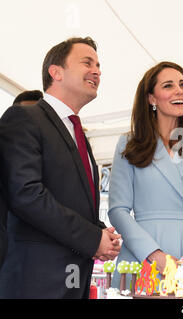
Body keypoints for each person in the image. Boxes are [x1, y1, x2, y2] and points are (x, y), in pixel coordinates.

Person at [0, 37, 121, 298]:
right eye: (87, 62)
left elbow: (69, 199)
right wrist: (92, 238)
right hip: (36, 280)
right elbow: (26, 194)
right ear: (56, 72)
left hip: (73, 277)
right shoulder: (24, 118)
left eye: (99, 65)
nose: (97, 71)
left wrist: (100, 232)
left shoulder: (76, 131)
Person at [107, 61, 183, 289]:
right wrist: (154, 254)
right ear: (151, 98)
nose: (179, 91)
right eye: (168, 85)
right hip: (141, 255)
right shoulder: (128, 144)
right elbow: (118, 210)